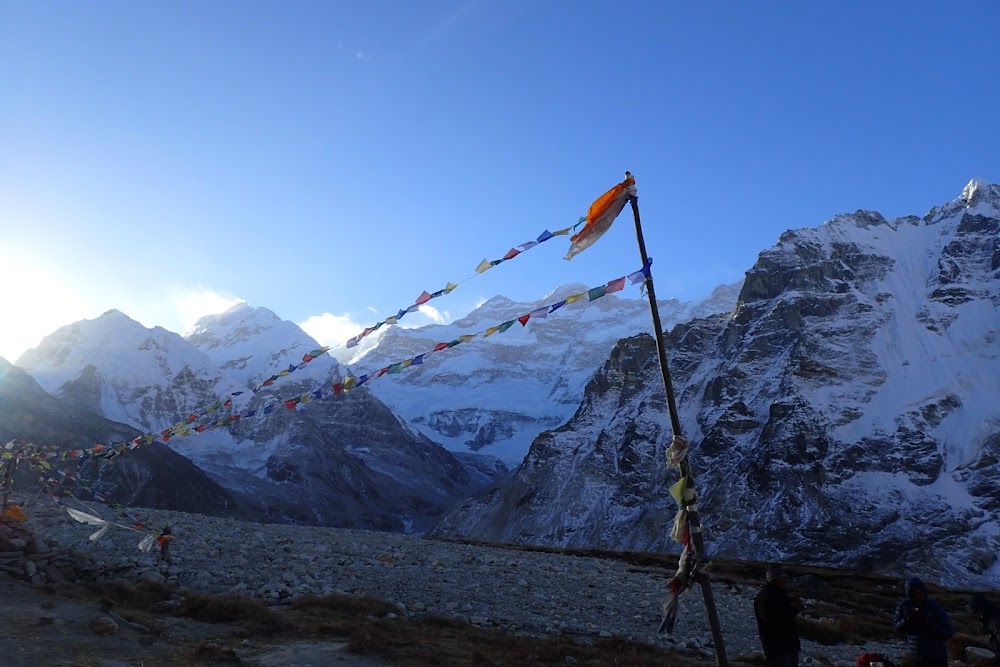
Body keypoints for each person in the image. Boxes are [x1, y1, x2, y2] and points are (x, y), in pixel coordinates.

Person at [893, 576, 953, 667]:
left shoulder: (934, 607)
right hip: (918, 658)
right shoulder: (904, 606)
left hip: (937, 659)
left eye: (920, 593)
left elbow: (948, 631)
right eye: (915, 594)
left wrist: (928, 623)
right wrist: (908, 619)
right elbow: (898, 627)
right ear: (910, 595)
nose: (919, 596)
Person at [754, 564, 801, 667]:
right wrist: (792, 611)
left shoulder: (779, 594)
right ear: (774, 580)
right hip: (778, 647)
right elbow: (771, 619)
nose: (785, 581)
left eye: (785, 578)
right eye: (782, 578)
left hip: (787, 645)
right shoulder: (766, 597)